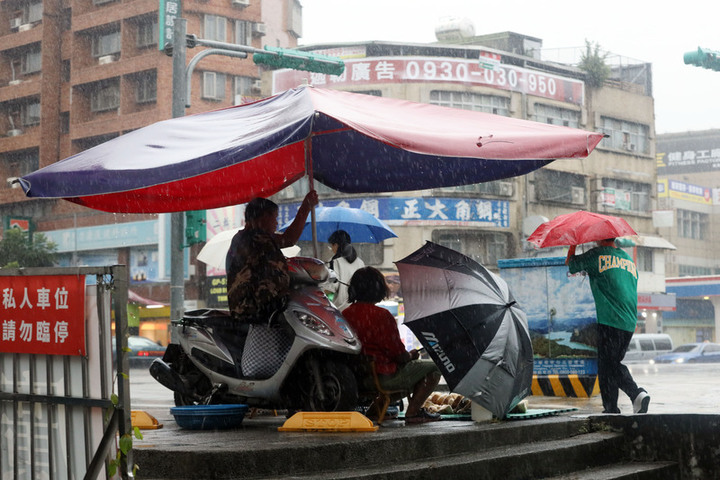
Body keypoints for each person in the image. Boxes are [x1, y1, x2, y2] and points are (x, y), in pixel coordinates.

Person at [343, 266, 442, 424]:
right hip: (382, 378)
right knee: (434, 368)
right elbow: (399, 356)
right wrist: (411, 355)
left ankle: (376, 411)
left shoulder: (345, 314)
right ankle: (413, 412)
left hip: (357, 379)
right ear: (378, 289)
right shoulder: (382, 316)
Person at [566, 238, 650, 414]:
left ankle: (636, 394)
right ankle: (611, 408)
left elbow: (571, 265)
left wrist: (573, 243)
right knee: (610, 364)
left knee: (608, 365)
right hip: (628, 321)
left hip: (610, 319)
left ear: (598, 237)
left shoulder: (596, 255)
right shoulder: (627, 259)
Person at [226, 190, 318, 321]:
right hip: (256, 313)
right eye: (274, 218)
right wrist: (306, 206)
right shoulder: (253, 238)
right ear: (262, 217)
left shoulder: (245, 237)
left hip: (259, 311)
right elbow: (289, 239)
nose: (276, 223)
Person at [325, 230, 365, 311]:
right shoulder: (361, 263)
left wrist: (327, 305)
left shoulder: (333, 263)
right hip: (358, 310)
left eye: (332, 246)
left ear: (336, 245)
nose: (332, 249)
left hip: (339, 313)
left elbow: (330, 289)